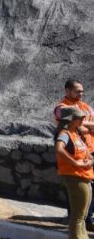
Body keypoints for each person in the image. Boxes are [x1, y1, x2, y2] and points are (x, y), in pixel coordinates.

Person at [55, 79, 94, 231]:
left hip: (88, 150)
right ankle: (79, 223)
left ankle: (86, 220)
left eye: (82, 91)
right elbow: (64, 121)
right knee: (76, 190)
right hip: (74, 153)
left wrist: (84, 125)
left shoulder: (86, 107)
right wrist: (86, 125)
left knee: (89, 189)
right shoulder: (62, 107)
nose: (81, 94)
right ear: (68, 91)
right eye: (78, 91)